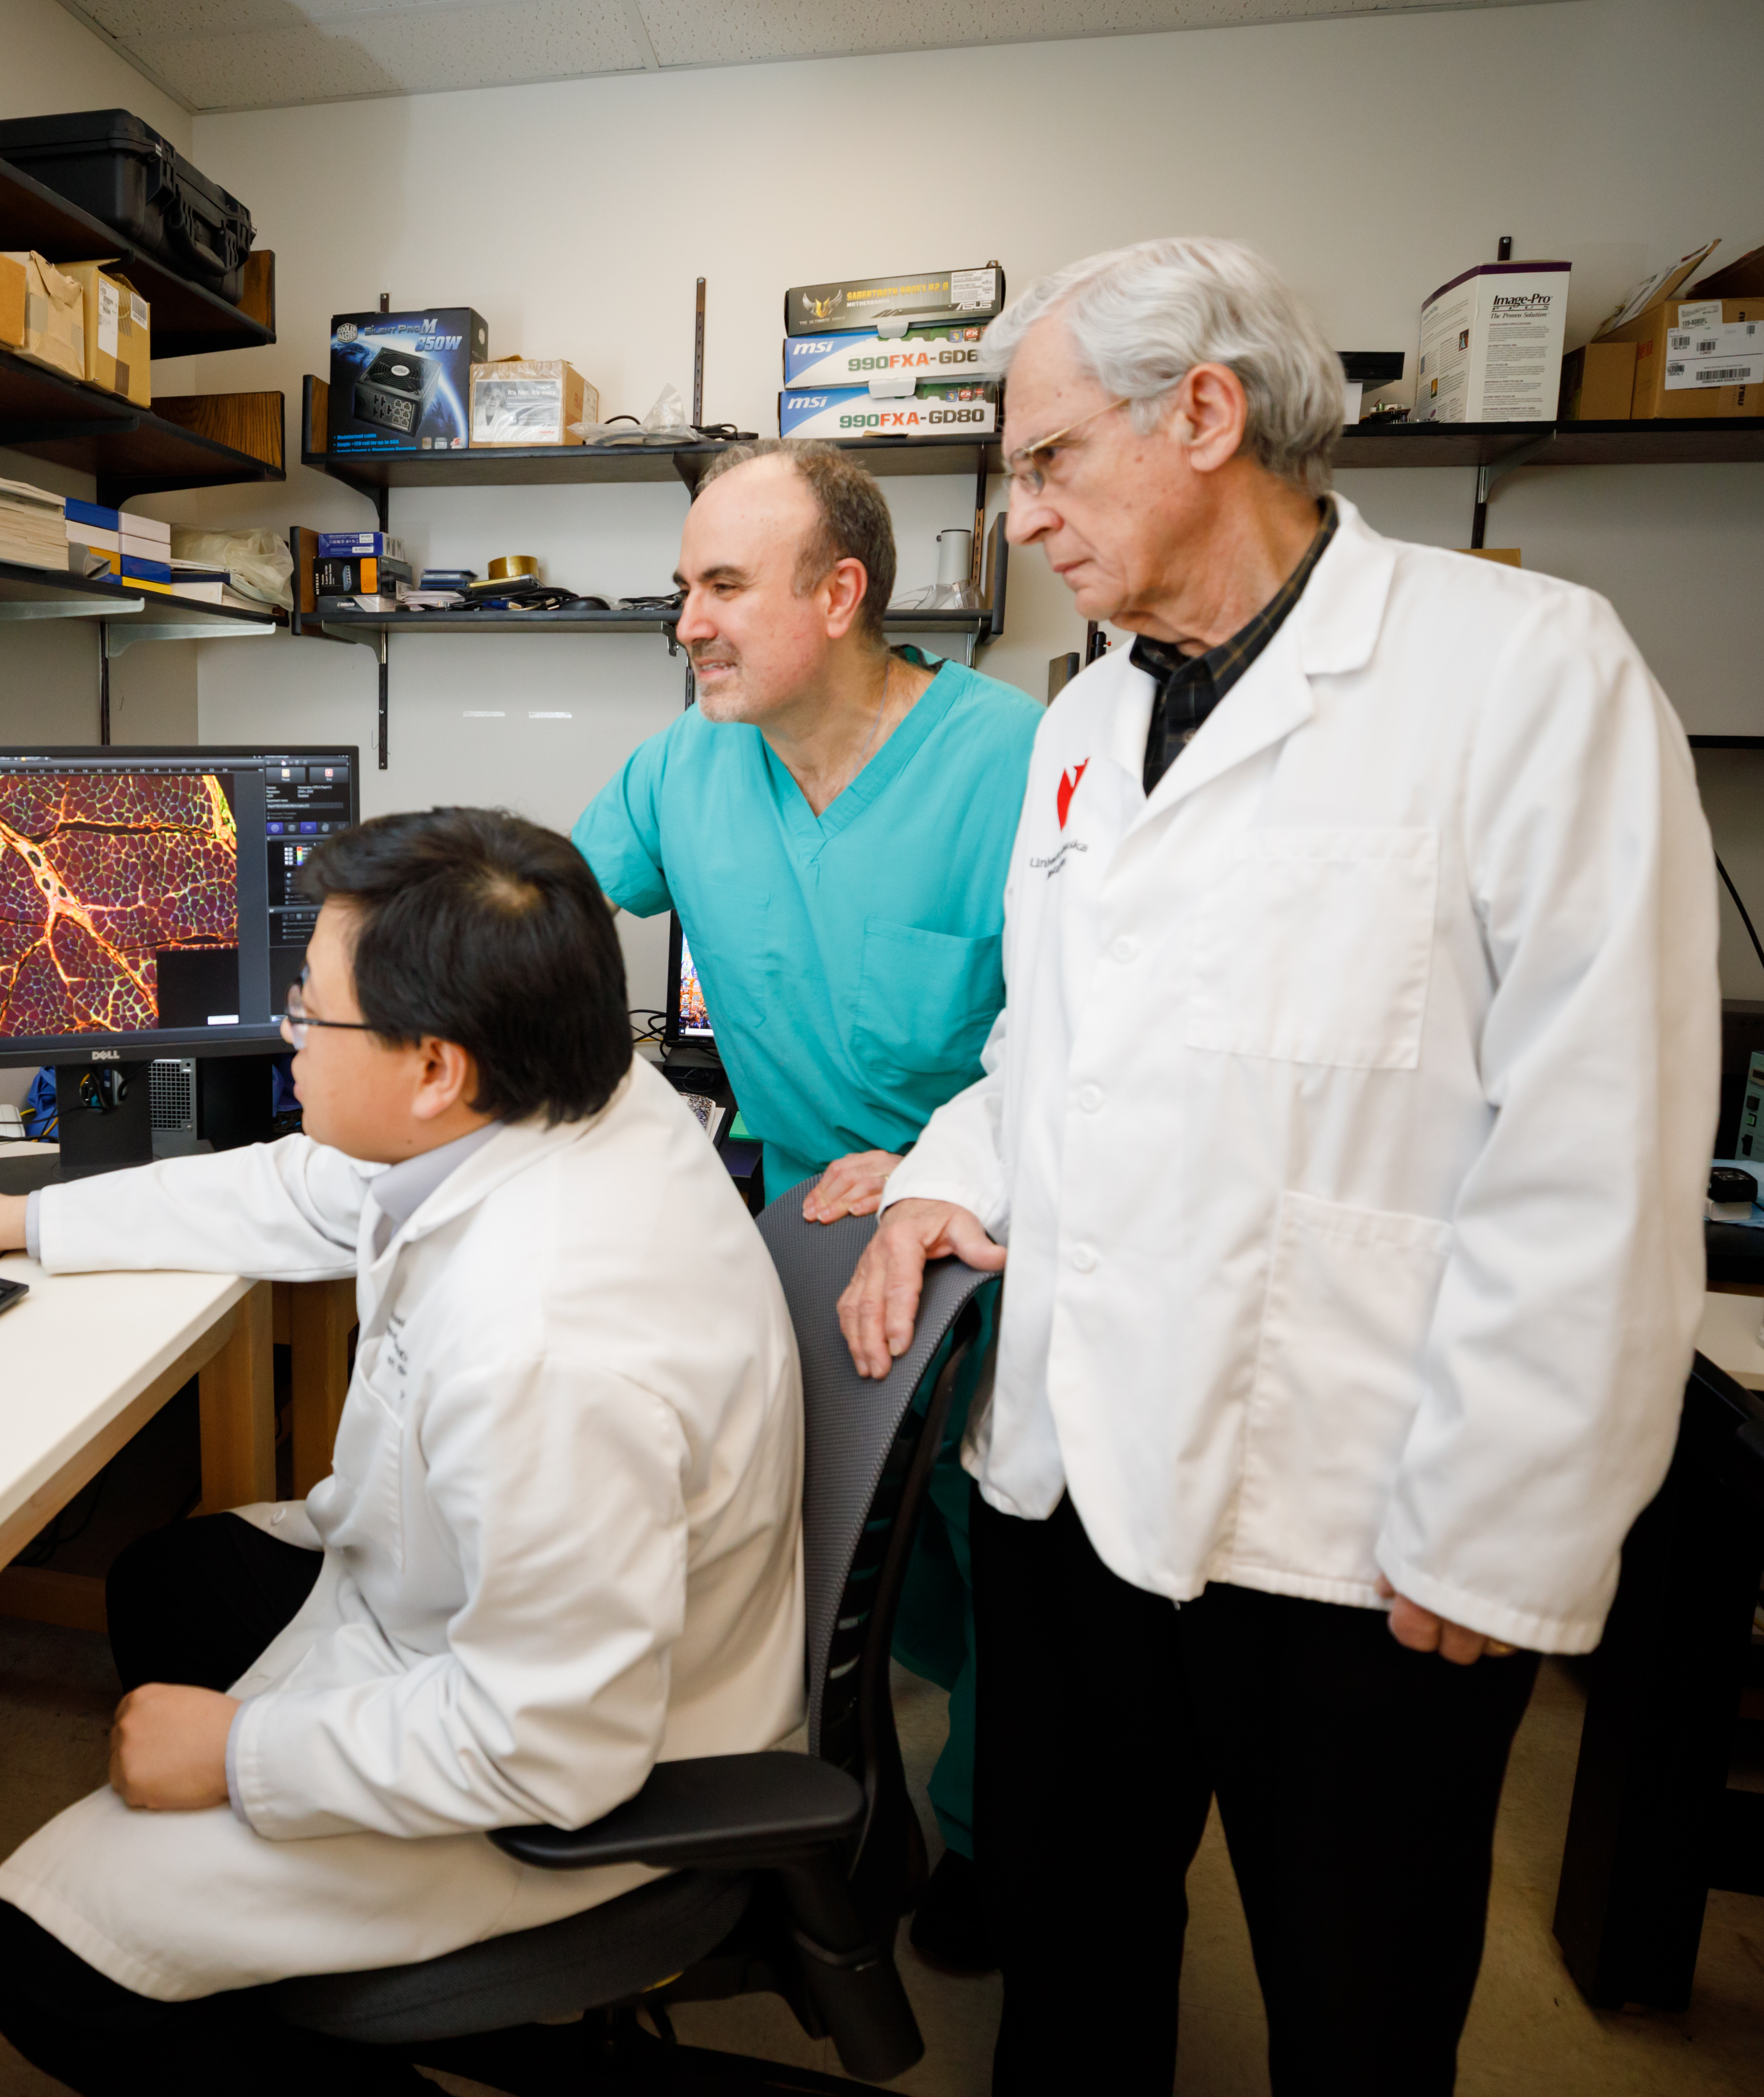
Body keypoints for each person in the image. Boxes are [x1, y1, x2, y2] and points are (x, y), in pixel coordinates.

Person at [840, 236, 1718, 2096]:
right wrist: (949, 1166)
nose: (1022, 515)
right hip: (1069, 1483)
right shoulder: (1082, 721)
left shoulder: (1523, 674)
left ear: (1205, 414)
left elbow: (1605, 1139)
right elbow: (1045, 1043)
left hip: (1357, 1517)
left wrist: (1509, 1516)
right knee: (1073, 1977)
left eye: (1048, 459)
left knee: (1357, 2002)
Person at [0, 807, 805, 2095]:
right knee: (164, 1583)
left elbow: (553, 1746)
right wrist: (20, 1218)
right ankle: (279, 1967)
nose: (286, 1034)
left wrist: (240, 1757)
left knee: (44, 1959)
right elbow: (311, 1188)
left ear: (432, 1070)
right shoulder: (562, 1085)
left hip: (566, 1773)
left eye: (311, 1012)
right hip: (485, 1619)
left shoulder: (551, 1340)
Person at [570, 438, 1042, 1970]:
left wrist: (936, 1163)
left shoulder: (1020, 764)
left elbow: (1100, 1043)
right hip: (792, 1231)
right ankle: (853, 1794)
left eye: (720, 586)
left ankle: (988, 1841)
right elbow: (551, 927)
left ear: (841, 594)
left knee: (999, 1572)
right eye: (681, 589)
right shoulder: (687, 764)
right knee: (832, 1552)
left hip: (994, 1235)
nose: (686, 624)